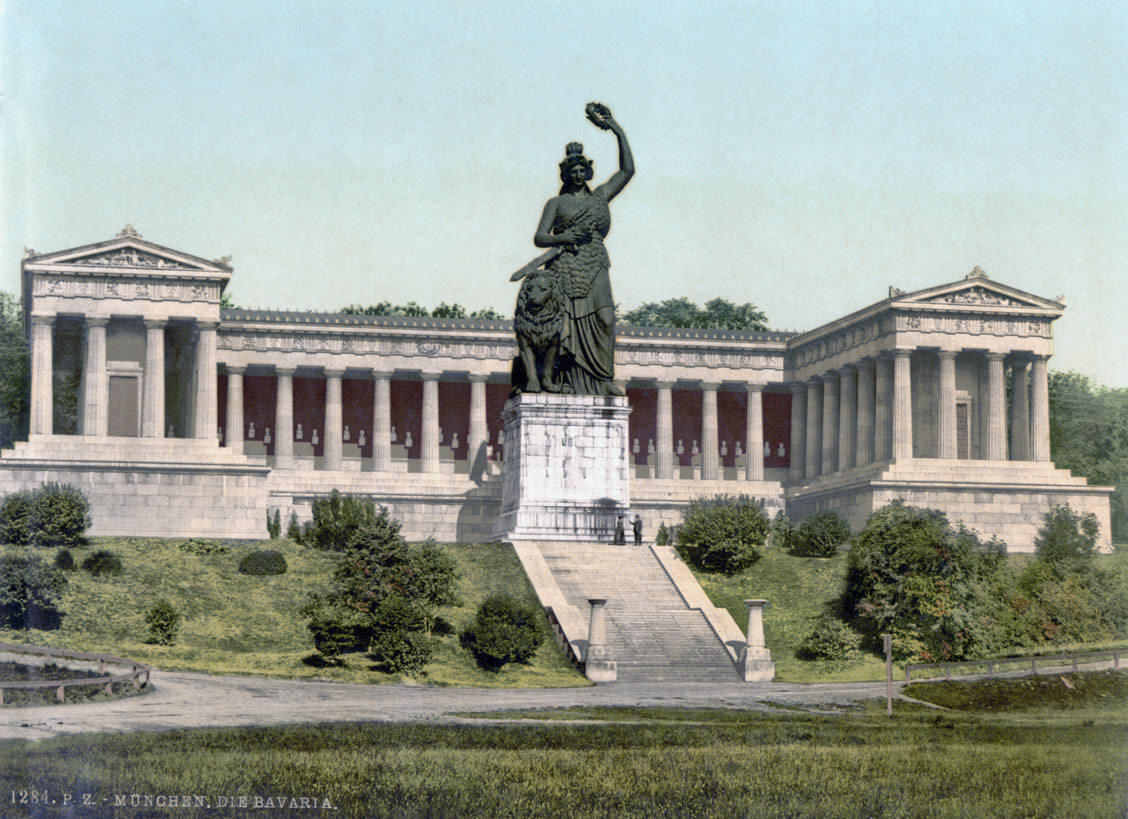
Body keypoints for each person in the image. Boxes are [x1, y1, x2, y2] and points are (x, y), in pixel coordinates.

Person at [533, 103, 634, 395]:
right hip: (565, 265)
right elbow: (539, 237)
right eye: (573, 171)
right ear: (566, 175)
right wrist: (564, 238)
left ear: (588, 172)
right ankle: (563, 378)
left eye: (582, 170)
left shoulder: (601, 195)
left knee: (606, 319)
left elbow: (628, 170)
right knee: (563, 325)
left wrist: (616, 129)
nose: (578, 175)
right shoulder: (556, 204)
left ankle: (604, 379)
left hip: (595, 262)